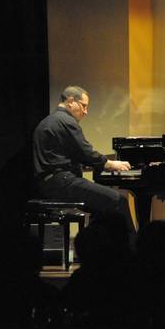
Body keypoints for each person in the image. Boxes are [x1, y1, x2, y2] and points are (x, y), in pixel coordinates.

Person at [32, 85, 135, 235]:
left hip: (50, 183)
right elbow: (86, 152)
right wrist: (109, 164)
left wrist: (90, 165)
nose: (85, 112)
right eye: (84, 106)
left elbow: (64, 157)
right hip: (62, 183)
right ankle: (132, 247)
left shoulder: (49, 121)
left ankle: (97, 244)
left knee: (102, 205)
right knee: (118, 201)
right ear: (70, 101)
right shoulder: (66, 121)